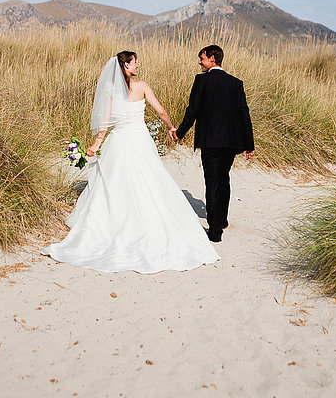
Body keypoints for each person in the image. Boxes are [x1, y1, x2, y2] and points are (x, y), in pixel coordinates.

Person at [41, 51, 219, 273]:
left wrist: (96, 146)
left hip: (118, 140)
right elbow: (160, 110)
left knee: (117, 183)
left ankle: (115, 225)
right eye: (134, 63)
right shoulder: (142, 86)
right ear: (126, 66)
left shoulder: (110, 91)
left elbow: (104, 124)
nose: (138, 66)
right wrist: (172, 127)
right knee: (148, 179)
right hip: (139, 139)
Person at [173, 45, 254, 243]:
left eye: (201, 58)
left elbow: (192, 110)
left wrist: (180, 132)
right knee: (223, 179)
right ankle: (223, 219)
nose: (199, 61)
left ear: (212, 58)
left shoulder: (202, 80)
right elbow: (244, 113)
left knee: (212, 181)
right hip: (231, 141)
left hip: (210, 141)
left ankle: (215, 230)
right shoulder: (236, 83)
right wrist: (249, 144)